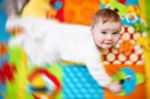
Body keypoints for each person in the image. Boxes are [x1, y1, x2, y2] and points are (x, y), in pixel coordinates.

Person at [6, 9, 122, 93]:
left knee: (39, 24)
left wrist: (111, 42)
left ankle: (14, 22)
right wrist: (109, 84)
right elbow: (98, 74)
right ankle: (25, 41)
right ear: (92, 31)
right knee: (39, 60)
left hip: (56, 29)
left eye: (115, 33)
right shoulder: (92, 55)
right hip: (54, 48)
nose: (110, 38)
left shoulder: (94, 30)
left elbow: (107, 35)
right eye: (104, 33)